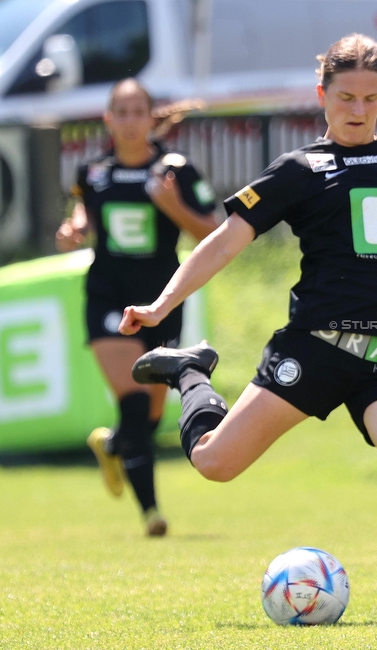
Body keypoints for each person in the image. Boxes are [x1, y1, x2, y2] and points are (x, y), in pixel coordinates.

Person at [118, 34, 377, 621]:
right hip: (318, 349)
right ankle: (191, 372)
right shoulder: (299, 170)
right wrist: (163, 305)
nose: (358, 109)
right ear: (323, 94)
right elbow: (222, 243)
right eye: (346, 96)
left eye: (371, 98)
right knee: (215, 463)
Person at [56, 78, 220, 537]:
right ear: (109, 119)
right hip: (108, 297)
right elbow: (83, 216)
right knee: (132, 403)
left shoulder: (176, 171)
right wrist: (73, 230)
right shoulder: (92, 172)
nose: (129, 121)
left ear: (152, 118)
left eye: (137, 111)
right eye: (120, 112)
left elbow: (213, 231)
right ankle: (151, 512)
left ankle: (111, 447)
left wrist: (172, 206)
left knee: (147, 418)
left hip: (162, 301)